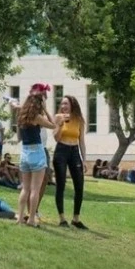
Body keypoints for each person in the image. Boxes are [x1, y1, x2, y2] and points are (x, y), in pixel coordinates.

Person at [14, 89, 57, 228]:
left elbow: (19, 136)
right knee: (35, 190)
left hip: (24, 153)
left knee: (25, 189)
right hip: (37, 152)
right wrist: (46, 110)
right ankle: (31, 219)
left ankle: (20, 217)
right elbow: (53, 125)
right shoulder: (37, 117)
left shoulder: (21, 116)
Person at [52, 95, 88, 229]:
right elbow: (56, 138)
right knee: (60, 185)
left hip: (74, 151)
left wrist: (84, 160)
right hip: (61, 150)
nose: (63, 106)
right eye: (62, 104)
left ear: (72, 105)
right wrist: (60, 124)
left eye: (66, 104)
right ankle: (62, 219)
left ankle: (76, 219)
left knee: (79, 185)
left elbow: (82, 141)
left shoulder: (79, 120)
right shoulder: (58, 117)